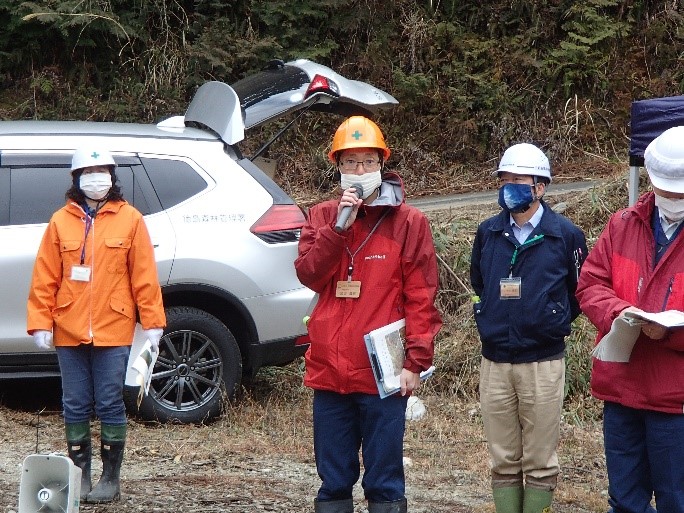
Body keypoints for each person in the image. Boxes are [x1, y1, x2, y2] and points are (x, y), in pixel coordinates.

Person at [295, 116, 442, 513]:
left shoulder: (410, 222)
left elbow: (422, 297)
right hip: (329, 370)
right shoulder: (323, 215)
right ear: (338, 167)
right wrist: (339, 228)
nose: (359, 172)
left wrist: (416, 361)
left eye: (367, 162)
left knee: (384, 480)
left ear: (382, 164)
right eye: (349, 163)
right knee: (334, 480)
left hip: (382, 375)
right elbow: (309, 274)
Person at [26, 146, 166, 503]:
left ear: (112, 176)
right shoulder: (60, 221)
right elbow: (45, 276)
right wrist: (40, 322)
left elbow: (144, 275)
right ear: (76, 179)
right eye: (88, 172)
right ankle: (81, 476)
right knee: (74, 403)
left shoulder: (130, 218)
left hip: (114, 326)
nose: (95, 178)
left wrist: (152, 322)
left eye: (102, 171)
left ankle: (110, 479)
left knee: (108, 402)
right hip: (69, 326)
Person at [470, 143, 587, 513]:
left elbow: (579, 292)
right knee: (503, 457)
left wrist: (550, 320)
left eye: (518, 180)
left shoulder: (565, 235)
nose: (509, 187)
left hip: (543, 361)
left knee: (539, 458)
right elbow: (481, 284)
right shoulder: (488, 232)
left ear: (540, 186)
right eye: (504, 180)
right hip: (496, 362)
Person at [576, 126, 684, 513]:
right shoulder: (623, 224)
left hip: (675, 401)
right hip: (622, 390)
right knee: (625, 502)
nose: (673, 199)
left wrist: (670, 333)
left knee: (677, 499)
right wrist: (618, 313)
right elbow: (590, 284)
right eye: (668, 191)